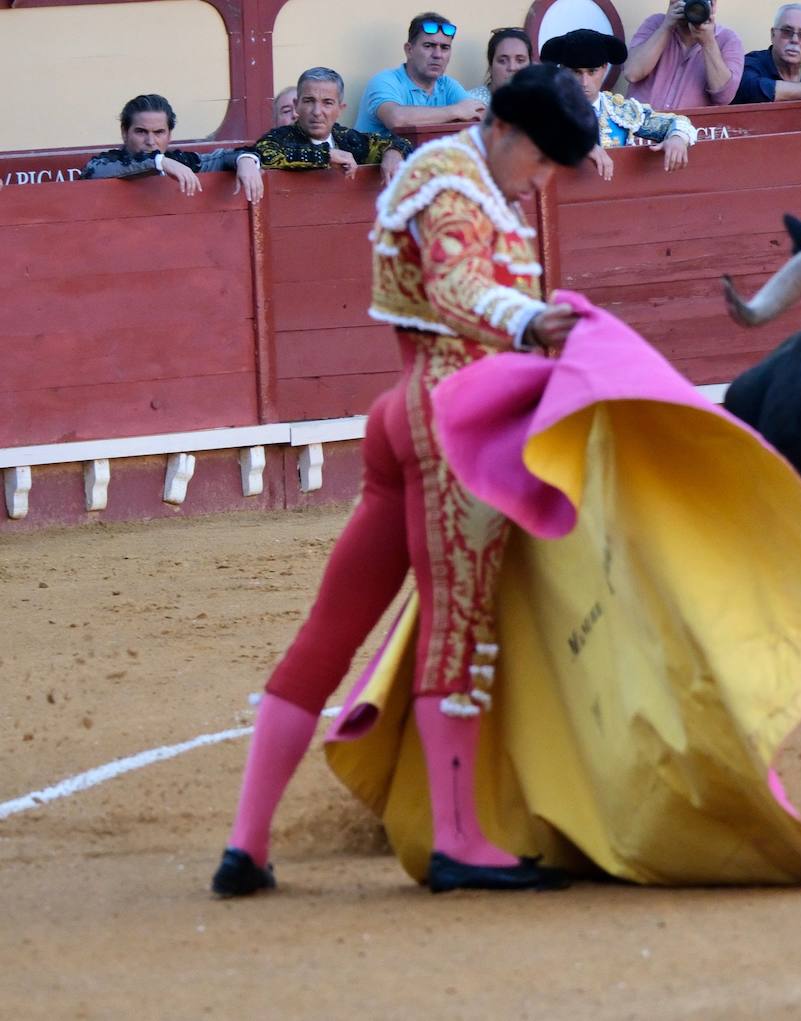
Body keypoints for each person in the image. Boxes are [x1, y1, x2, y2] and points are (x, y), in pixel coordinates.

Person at [211, 64, 599, 898]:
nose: (543, 183)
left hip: (408, 409)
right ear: (510, 133)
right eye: (544, 162)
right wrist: (531, 318)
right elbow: (457, 284)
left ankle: (247, 843)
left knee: (332, 626)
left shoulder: (459, 178)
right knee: (457, 624)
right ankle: (456, 839)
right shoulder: (456, 178)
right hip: (451, 417)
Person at [540, 28, 693, 180]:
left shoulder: (620, 111)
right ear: (562, 70)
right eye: (576, 72)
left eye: (592, 72)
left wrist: (677, 138)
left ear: (605, 68)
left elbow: (676, 122)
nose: (584, 82)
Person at [80, 94, 264, 202]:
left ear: (169, 135)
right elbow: (93, 170)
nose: (151, 141)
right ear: (124, 132)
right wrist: (160, 162)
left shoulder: (181, 162)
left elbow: (223, 157)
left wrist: (246, 160)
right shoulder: (109, 162)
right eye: (141, 132)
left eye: (159, 132)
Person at [252, 68, 412, 189]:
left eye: (327, 103)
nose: (316, 112)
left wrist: (394, 152)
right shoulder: (281, 136)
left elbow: (402, 143)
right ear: (297, 106)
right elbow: (265, 154)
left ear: (340, 109)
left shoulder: (349, 139)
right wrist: (326, 155)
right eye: (308, 101)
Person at [354, 12, 487, 136]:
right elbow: (397, 119)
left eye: (444, 48)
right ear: (409, 50)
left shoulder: (447, 84)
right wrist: (455, 111)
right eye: (428, 46)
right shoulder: (385, 81)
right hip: (378, 160)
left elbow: (482, 117)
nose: (438, 55)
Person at [624, 0, 744, 109]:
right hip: (639, 127)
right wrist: (666, 27)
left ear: (713, 5)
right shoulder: (655, 24)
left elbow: (724, 97)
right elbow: (632, 73)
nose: (691, 4)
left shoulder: (728, 40)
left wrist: (708, 43)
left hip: (691, 130)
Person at [466, 27, 533, 105]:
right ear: (490, 66)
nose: (512, 68)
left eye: (520, 60)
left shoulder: (541, 103)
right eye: (503, 61)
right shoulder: (471, 102)